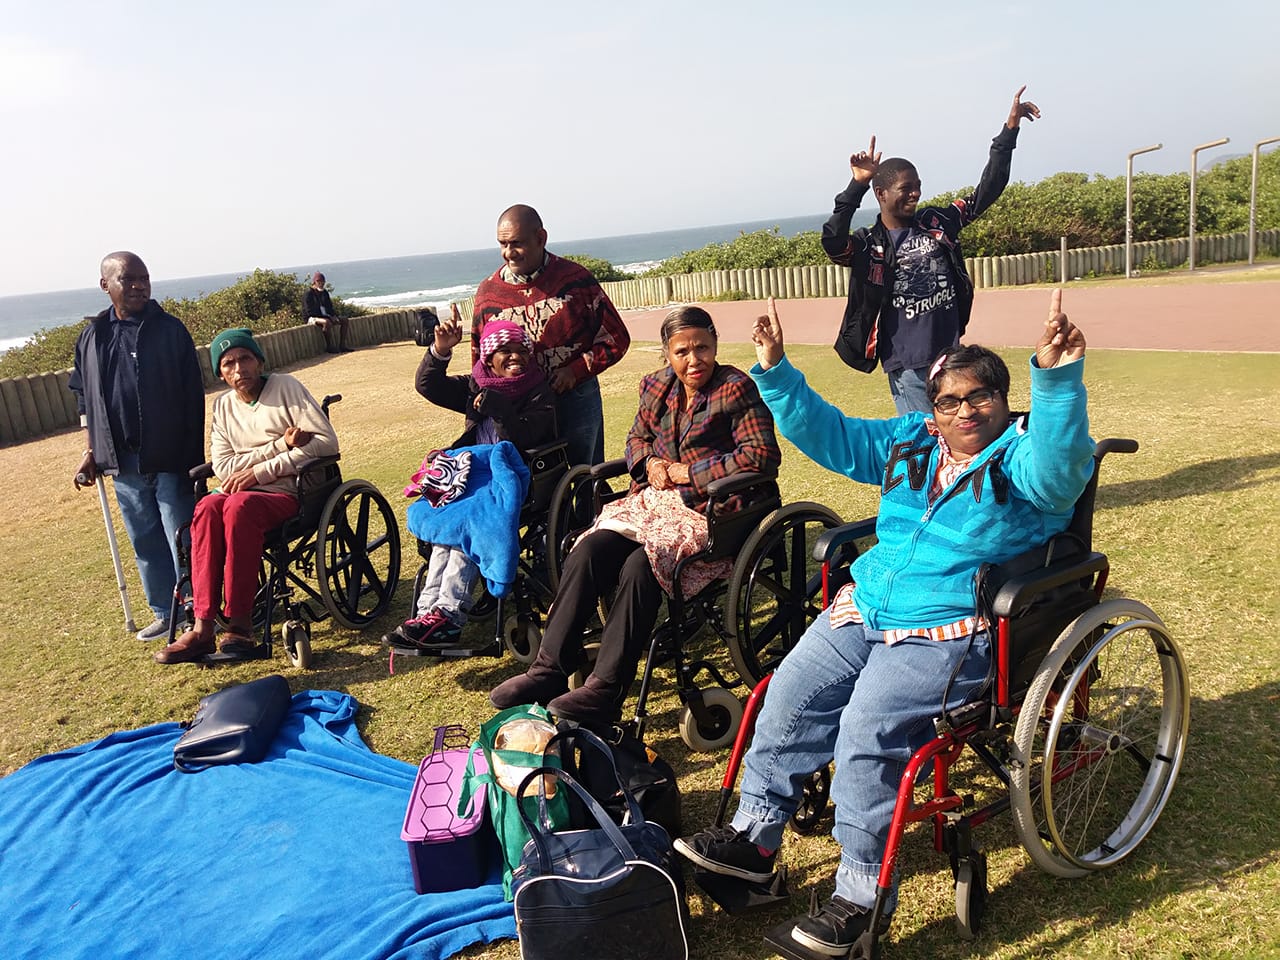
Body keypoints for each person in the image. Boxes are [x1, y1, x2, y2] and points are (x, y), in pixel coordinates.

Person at [674, 291, 1092, 956]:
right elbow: (833, 436)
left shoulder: (1023, 460)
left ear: (1002, 398)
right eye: (948, 400)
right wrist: (776, 370)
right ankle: (754, 840)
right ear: (932, 406)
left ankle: (863, 896)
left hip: (950, 623)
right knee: (787, 695)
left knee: (864, 731)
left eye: (979, 395)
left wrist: (1059, 377)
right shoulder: (909, 441)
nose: (964, 410)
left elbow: (1063, 469)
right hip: (868, 605)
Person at [489, 305, 781, 725]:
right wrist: (649, 465)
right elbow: (636, 439)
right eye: (682, 351)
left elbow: (762, 456)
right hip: (655, 503)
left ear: (715, 346)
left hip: (714, 509)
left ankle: (606, 692)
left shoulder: (734, 388)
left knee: (641, 567)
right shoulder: (656, 386)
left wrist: (690, 473)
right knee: (591, 549)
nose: (693, 359)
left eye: (702, 348)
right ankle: (548, 669)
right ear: (667, 353)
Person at [824, 86, 1041, 414]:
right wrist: (857, 186)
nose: (915, 194)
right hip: (908, 368)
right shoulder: (869, 244)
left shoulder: (938, 221)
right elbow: (833, 242)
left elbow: (988, 189)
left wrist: (1009, 131)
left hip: (952, 359)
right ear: (881, 193)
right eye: (906, 188)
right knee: (926, 444)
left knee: (962, 436)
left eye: (918, 187)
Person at [153, 329, 339, 663]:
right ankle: (202, 626)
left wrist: (260, 472)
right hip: (239, 494)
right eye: (228, 364)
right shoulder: (223, 406)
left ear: (259, 360)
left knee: (238, 506)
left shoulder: (286, 387)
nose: (239, 369)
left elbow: (326, 444)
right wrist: (280, 445)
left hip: (289, 493)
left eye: (245, 359)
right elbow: (223, 467)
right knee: (208, 506)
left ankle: (239, 625)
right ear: (220, 373)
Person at [386, 310, 558, 650]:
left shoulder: (540, 391)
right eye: (505, 351)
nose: (515, 357)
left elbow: (526, 439)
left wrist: (502, 411)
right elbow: (428, 386)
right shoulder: (475, 385)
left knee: (469, 522)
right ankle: (427, 614)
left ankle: (448, 616)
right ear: (489, 358)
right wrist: (440, 351)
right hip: (471, 476)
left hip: (514, 477)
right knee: (446, 524)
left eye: (521, 350)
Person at [68, 251, 205, 641]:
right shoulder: (92, 336)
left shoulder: (170, 330)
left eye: (143, 278)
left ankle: (199, 610)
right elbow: (84, 398)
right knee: (144, 539)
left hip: (169, 455)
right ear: (105, 284)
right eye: (128, 279)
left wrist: (192, 460)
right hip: (122, 460)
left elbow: (192, 397)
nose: (139, 286)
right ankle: (166, 612)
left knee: (181, 536)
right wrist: (90, 449)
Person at [471, 204, 630, 467]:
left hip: (576, 400)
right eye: (502, 244)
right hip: (519, 410)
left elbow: (616, 338)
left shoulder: (576, 280)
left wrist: (575, 371)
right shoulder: (488, 294)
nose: (508, 253)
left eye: (517, 243)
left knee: (586, 476)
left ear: (541, 238)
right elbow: (479, 359)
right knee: (536, 485)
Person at [304, 271, 351, 353]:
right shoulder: (309, 294)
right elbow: (309, 311)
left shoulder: (324, 293)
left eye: (323, 282)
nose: (321, 284)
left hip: (325, 315)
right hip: (312, 317)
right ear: (314, 282)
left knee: (344, 320)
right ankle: (329, 346)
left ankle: (342, 345)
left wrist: (333, 316)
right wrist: (326, 317)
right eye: (319, 282)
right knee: (326, 322)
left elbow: (329, 307)